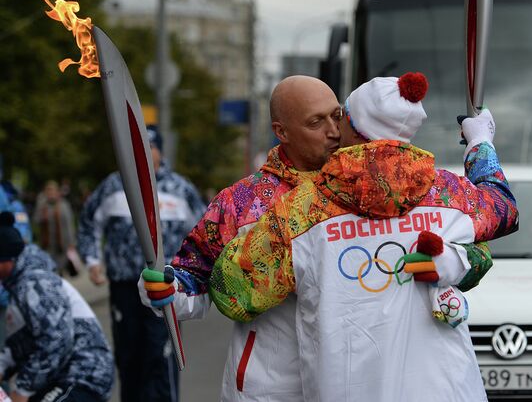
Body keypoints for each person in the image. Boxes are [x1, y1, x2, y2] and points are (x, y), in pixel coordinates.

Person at [138, 75, 495, 401]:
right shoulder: (244, 202)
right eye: (315, 122)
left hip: (354, 382)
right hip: (273, 386)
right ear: (282, 131)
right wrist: (169, 290)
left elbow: (471, 258)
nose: (334, 131)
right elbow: (195, 275)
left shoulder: (383, 190)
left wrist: (450, 263)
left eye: (336, 115)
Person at [77, 126, 206, 402]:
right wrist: (92, 261)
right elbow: (89, 222)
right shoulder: (114, 185)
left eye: (151, 147)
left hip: (164, 287)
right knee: (129, 353)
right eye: (138, 148)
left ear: (160, 150)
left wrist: (194, 274)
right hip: (124, 284)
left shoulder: (180, 189)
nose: (145, 153)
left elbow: (203, 234)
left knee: (160, 355)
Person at [0, 211, 114, 402]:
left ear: (6, 259)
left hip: (84, 375)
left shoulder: (36, 283)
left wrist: (23, 389)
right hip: (59, 377)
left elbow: (56, 341)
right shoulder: (19, 285)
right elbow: (21, 343)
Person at [33, 181, 77, 275]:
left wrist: (72, 242)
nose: (50, 193)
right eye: (48, 191)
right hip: (47, 245)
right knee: (49, 270)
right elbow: (35, 220)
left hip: (61, 245)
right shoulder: (42, 205)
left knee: (60, 270)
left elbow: (69, 224)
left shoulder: (64, 205)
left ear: (57, 192)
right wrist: (42, 215)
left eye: (52, 191)